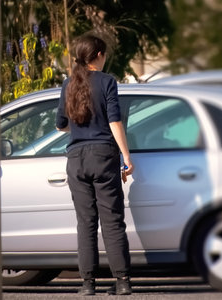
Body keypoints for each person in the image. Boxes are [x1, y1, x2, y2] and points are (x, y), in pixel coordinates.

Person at [56, 34, 134, 296]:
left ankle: (88, 284)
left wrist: (81, 129)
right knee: (112, 220)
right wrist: (126, 155)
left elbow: (61, 125)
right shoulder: (108, 82)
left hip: (76, 159)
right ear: (99, 55)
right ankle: (122, 281)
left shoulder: (68, 84)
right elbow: (114, 121)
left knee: (86, 222)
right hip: (103, 155)